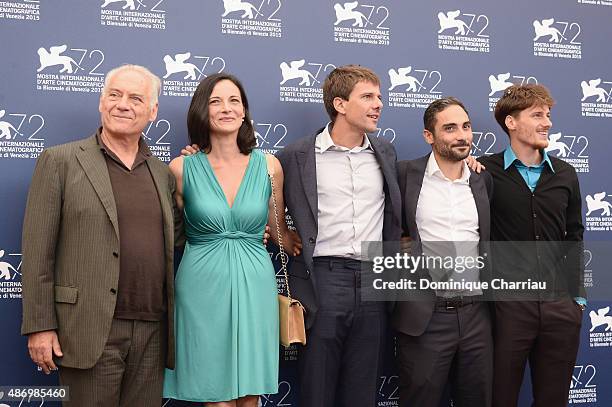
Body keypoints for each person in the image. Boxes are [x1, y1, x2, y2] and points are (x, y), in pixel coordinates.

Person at [21, 64, 181, 406]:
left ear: (153, 111)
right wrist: (39, 325)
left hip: (153, 331)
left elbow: (177, 240)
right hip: (88, 328)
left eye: (135, 98)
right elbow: (37, 252)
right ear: (100, 102)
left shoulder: (162, 173)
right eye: (114, 94)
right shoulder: (60, 161)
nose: (122, 104)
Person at [163, 73, 301, 407]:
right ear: (202, 111)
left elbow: (277, 228)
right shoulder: (181, 168)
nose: (226, 108)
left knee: (249, 391)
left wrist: (297, 242)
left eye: (234, 101)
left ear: (244, 112)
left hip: (255, 281)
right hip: (201, 284)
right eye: (215, 101)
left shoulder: (269, 166)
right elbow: (171, 233)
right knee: (215, 393)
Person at [276, 65, 402, 407]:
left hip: (374, 280)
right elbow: (259, 202)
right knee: (317, 388)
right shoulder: (296, 156)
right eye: (368, 97)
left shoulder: (386, 152)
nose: (379, 104)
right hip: (321, 281)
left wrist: (473, 166)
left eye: (379, 96)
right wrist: (281, 234)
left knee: (362, 392)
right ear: (340, 104)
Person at [477, 84, 585, 407]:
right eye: (537, 115)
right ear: (511, 122)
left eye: (548, 115)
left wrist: (576, 298)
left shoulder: (566, 174)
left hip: (560, 307)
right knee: (500, 397)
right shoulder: (485, 171)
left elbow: (574, 236)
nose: (547, 122)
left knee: (553, 400)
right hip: (508, 306)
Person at [392, 97, 493, 407]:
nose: (461, 135)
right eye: (449, 128)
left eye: (465, 126)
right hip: (425, 316)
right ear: (429, 136)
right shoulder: (404, 174)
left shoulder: (482, 177)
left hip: (477, 315)